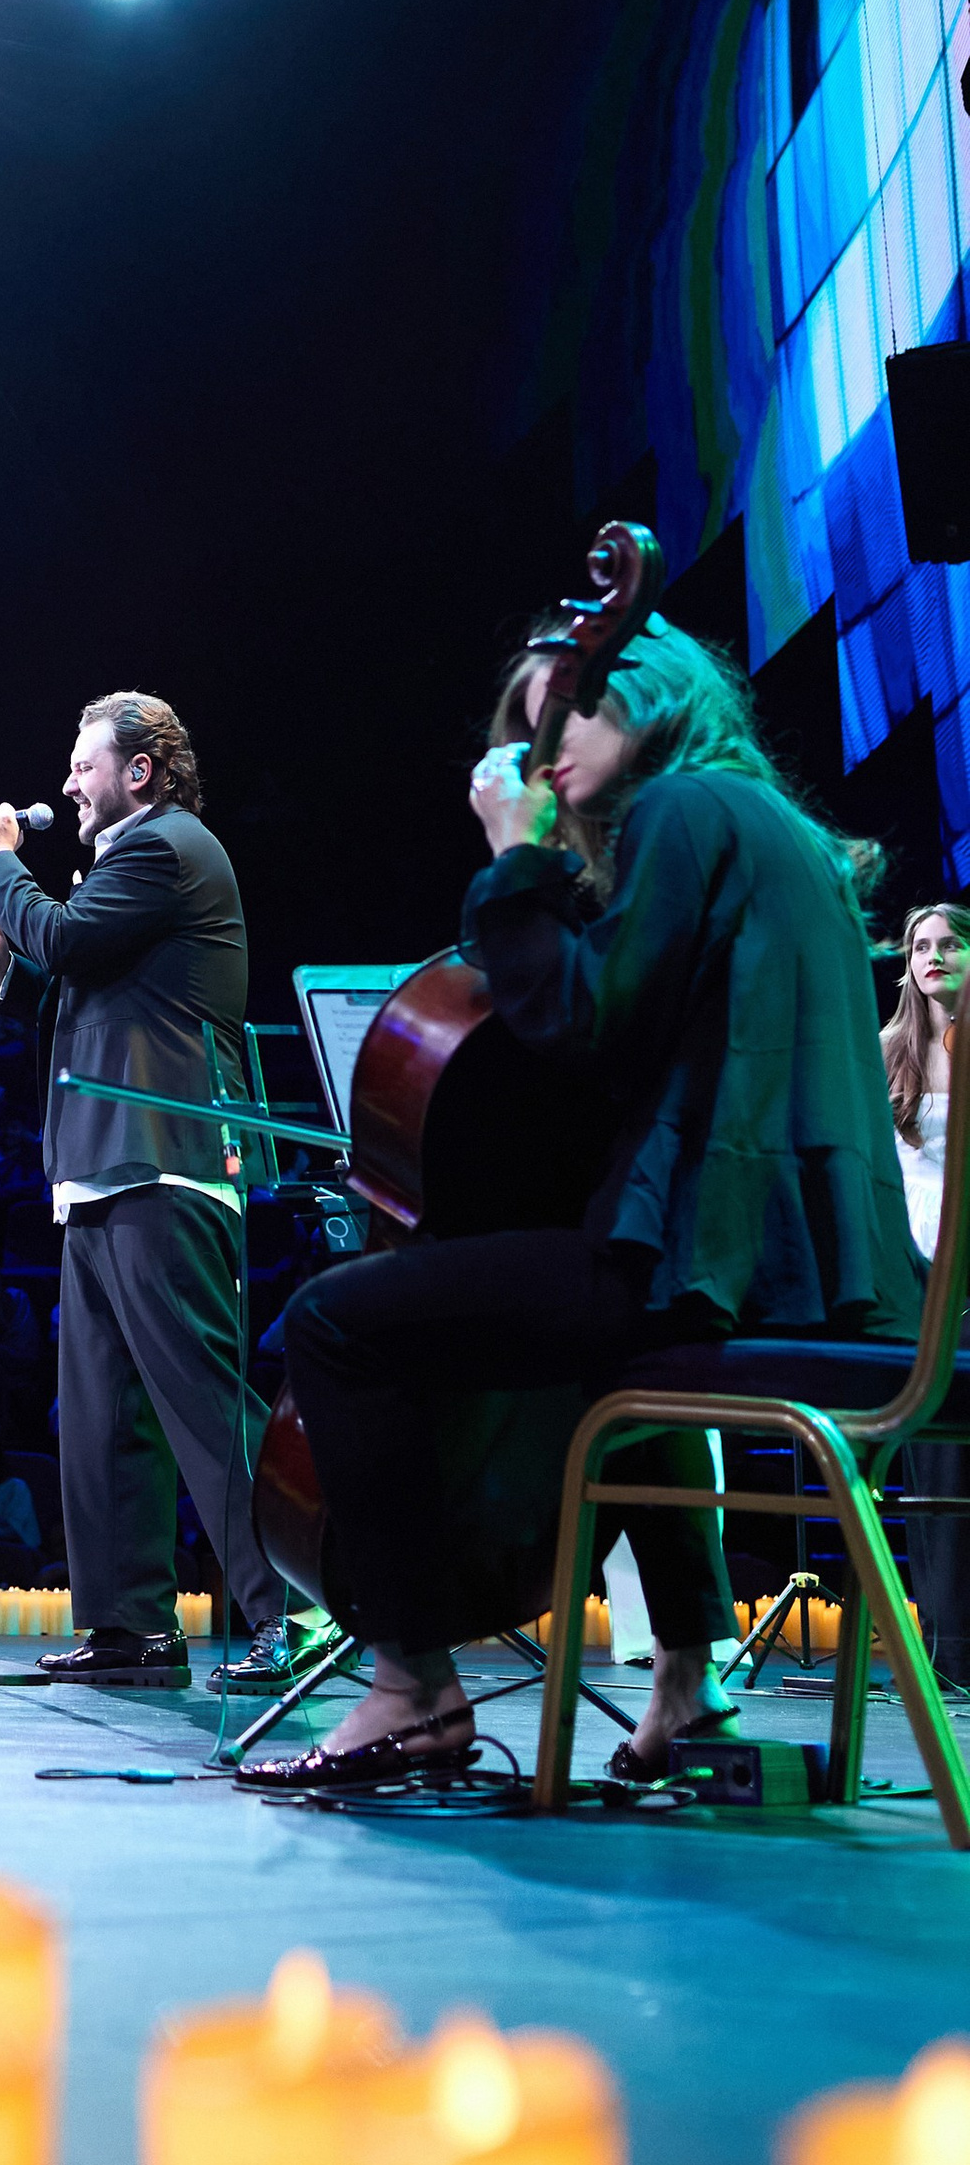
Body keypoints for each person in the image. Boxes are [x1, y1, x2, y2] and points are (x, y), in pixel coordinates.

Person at [249, 617, 922, 1793]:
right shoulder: (763, 823)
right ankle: (686, 1682)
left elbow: (579, 1023)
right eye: (527, 731)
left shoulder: (678, 813)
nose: (543, 749)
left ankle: (412, 1688)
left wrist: (514, 857)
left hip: (721, 1275)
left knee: (334, 1323)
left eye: (573, 718)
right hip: (811, 1276)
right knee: (620, 1344)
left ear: (654, 699)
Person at [0, 690, 308, 1692]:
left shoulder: (168, 849)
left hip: (167, 1160)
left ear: (140, 772)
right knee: (102, 1414)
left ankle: (298, 1606)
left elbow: (66, 944)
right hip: (102, 1166)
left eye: (83, 764)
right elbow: (80, 981)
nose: (67, 782)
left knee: (201, 1403)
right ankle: (127, 1627)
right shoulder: (118, 867)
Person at [886, 903, 970, 1681]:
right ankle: (952, 1655)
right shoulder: (888, 1051)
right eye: (921, 946)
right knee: (933, 1471)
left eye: (950, 943)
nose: (934, 955)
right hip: (916, 1274)